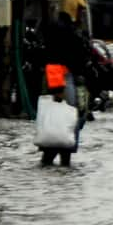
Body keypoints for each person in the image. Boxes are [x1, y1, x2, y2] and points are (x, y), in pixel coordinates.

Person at [39, 11, 91, 167]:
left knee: (55, 117)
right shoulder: (72, 35)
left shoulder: (51, 35)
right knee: (71, 116)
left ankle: (50, 155)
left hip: (53, 76)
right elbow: (81, 58)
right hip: (65, 76)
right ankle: (63, 156)